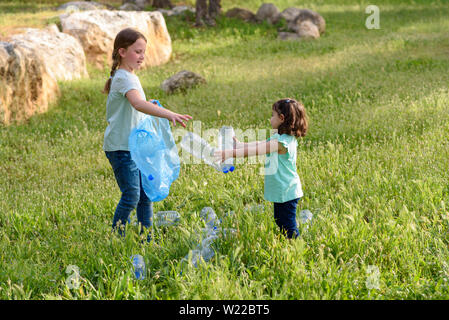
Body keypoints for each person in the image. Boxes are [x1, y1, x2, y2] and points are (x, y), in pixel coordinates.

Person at [103, 28, 192, 241]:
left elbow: (137, 104)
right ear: (122, 52)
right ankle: (117, 236)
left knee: (145, 194)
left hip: (135, 147)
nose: (142, 56)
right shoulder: (124, 77)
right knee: (132, 195)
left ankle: (147, 237)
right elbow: (137, 104)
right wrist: (168, 113)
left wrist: (150, 105)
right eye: (137, 51)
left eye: (143, 52)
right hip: (121, 148)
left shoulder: (129, 76)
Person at [215, 98, 308, 239]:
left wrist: (229, 153)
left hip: (287, 191)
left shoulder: (281, 143)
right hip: (283, 190)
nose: (270, 119)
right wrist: (239, 145)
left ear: (281, 118)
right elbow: (258, 144)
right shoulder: (280, 138)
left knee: (287, 225)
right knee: (280, 220)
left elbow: (257, 150)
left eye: (272, 115)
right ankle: (290, 243)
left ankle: (296, 245)